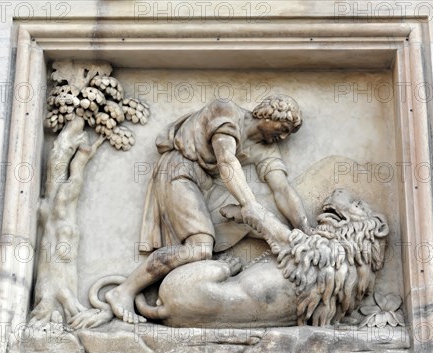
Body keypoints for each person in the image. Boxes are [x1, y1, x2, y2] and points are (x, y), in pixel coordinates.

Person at [105, 95, 313, 323]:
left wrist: (304, 233)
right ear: (268, 114)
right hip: (180, 169)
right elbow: (226, 160)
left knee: (258, 215)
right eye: (282, 128)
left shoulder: (266, 149)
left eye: (287, 133)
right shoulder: (225, 110)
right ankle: (124, 290)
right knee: (200, 248)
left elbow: (282, 189)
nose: (283, 136)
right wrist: (250, 206)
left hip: (207, 185)